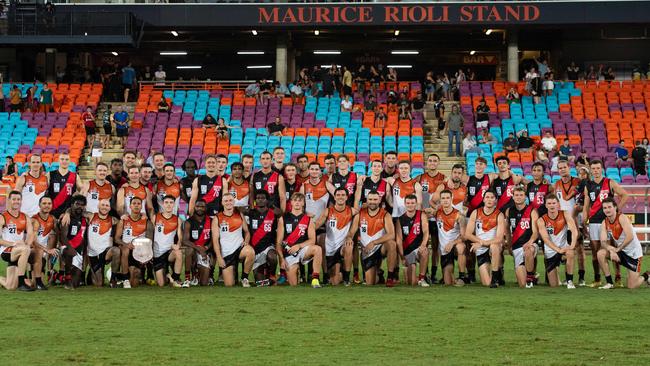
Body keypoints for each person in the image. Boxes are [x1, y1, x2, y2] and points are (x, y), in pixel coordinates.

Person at [582, 159, 628, 287]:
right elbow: (586, 205)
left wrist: (616, 210)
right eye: (593, 168)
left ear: (601, 169)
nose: (596, 171)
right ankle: (597, 279)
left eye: (598, 168)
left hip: (609, 222)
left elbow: (625, 195)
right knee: (595, 251)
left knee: (611, 249)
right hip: (594, 222)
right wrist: (584, 221)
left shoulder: (610, 182)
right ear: (590, 170)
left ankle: (618, 277)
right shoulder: (588, 185)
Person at [597, 198, 650, 289]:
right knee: (600, 253)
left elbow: (630, 237)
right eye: (605, 208)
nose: (607, 210)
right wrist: (612, 250)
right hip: (620, 251)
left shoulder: (622, 217)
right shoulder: (604, 222)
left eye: (610, 207)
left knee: (632, 286)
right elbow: (603, 242)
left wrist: (617, 249)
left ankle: (646, 276)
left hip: (634, 254)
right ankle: (609, 283)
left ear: (615, 207)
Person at [275, 193, 322, 288]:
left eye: (300, 200)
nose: (297, 202)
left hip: (302, 250)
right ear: (291, 202)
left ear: (303, 203)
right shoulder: (283, 219)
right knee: (294, 285)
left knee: (318, 249)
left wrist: (299, 246)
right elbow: (278, 242)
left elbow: (312, 240)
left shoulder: (308, 219)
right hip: (289, 253)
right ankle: (295, 270)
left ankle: (315, 279)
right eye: (295, 200)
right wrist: (281, 259)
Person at [315, 188, 357, 286]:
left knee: (349, 245)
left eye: (343, 195)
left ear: (347, 197)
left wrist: (350, 236)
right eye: (338, 195)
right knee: (335, 282)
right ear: (334, 197)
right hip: (330, 250)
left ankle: (346, 278)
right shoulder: (327, 211)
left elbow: (355, 227)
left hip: (342, 248)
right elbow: (316, 224)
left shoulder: (353, 211)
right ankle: (327, 275)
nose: (340, 197)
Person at [464, 190, 506, 288]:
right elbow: (468, 234)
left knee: (495, 247)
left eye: (492, 197)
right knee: (486, 283)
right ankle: (498, 273)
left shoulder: (499, 215)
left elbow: (499, 238)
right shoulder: (476, 212)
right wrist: (481, 243)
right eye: (487, 197)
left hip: (492, 246)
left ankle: (495, 278)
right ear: (483, 199)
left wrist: (482, 243)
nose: (489, 199)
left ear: (496, 200)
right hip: (481, 249)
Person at [538, 193, 579, 288]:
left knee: (570, 253)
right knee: (554, 285)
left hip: (563, 249)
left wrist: (572, 246)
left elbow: (574, 231)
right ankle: (556, 275)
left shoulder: (565, 214)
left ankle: (569, 281)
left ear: (558, 204)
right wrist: (558, 250)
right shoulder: (541, 220)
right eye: (549, 203)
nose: (552, 205)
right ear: (546, 205)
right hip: (551, 252)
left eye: (554, 203)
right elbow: (546, 239)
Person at [212, 194, 254, 287]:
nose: (228, 203)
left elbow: (247, 232)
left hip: (239, 249)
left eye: (230, 200)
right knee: (229, 284)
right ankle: (233, 271)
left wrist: (246, 241)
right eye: (226, 201)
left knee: (250, 252)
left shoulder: (239, 214)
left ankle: (244, 278)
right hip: (227, 253)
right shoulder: (217, 218)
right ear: (222, 203)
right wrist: (219, 257)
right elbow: (215, 240)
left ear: (234, 202)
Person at [357, 191, 398, 286]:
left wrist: (374, 242)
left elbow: (391, 234)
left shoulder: (385, 214)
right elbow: (352, 231)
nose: (372, 202)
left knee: (392, 244)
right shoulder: (360, 214)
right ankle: (379, 273)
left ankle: (390, 277)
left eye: (375, 199)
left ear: (379, 200)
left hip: (380, 248)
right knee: (370, 283)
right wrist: (349, 237)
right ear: (366, 200)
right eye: (370, 199)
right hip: (367, 251)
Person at [418, 154, 446, 282]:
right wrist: (424, 210)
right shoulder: (420, 178)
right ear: (426, 163)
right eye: (430, 161)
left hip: (437, 216)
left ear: (438, 163)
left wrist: (435, 210)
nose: (432, 163)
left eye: (435, 160)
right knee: (422, 245)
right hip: (424, 215)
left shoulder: (444, 179)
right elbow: (418, 196)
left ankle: (434, 273)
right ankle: (425, 272)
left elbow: (446, 198)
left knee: (436, 246)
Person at [114, 197, 153, 288]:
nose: (136, 205)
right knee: (125, 250)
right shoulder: (123, 221)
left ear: (141, 207)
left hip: (139, 251)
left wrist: (146, 255)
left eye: (138, 204)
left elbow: (149, 241)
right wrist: (126, 244)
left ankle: (123, 275)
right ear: (130, 206)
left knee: (134, 282)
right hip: (126, 250)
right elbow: (117, 238)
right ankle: (125, 279)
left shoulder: (147, 222)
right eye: (134, 203)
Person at [504, 186, 539, 288]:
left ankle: (530, 278)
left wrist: (530, 242)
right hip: (516, 246)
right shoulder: (509, 211)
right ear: (513, 197)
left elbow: (536, 232)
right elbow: (507, 230)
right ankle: (530, 278)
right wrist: (509, 246)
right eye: (516, 195)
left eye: (521, 195)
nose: (518, 197)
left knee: (528, 250)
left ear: (525, 197)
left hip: (530, 244)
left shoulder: (532, 211)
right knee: (522, 285)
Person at [0, 191, 34, 291]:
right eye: (14, 199)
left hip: (20, 251)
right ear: (9, 201)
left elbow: (31, 234)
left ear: (21, 201)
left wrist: (27, 244)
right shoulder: (3, 217)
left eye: (18, 199)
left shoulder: (25, 217)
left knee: (10, 286)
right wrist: (13, 244)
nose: (16, 201)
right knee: (25, 250)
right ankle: (21, 283)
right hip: (7, 251)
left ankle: (18, 282)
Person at [246, 191, 279, 286]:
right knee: (260, 283)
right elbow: (239, 210)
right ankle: (265, 273)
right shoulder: (250, 212)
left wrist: (271, 205)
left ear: (267, 200)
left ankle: (272, 274)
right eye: (258, 198)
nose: (260, 200)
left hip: (268, 247)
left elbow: (280, 213)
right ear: (255, 200)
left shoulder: (272, 213)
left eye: (263, 198)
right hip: (255, 250)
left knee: (272, 257)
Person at [396, 195, 429, 287]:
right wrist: (402, 257)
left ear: (416, 204)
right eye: (408, 203)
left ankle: (422, 278)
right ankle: (408, 269)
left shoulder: (421, 214)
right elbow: (399, 240)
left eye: (412, 203)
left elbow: (426, 232)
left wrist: (423, 245)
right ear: (405, 204)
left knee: (425, 251)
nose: (410, 205)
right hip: (407, 252)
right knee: (412, 283)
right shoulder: (400, 219)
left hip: (418, 249)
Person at [435, 189, 467, 286]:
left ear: (452, 198)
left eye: (448, 198)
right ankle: (450, 277)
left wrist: (452, 243)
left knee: (461, 247)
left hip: (454, 246)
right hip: (445, 250)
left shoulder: (459, 215)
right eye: (443, 198)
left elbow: (464, 236)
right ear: (440, 200)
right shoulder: (437, 213)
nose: (445, 200)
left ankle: (462, 277)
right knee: (448, 282)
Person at [151, 195, 184, 288]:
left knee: (178, 253)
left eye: (171, 203)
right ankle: (167, 275)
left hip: (169, 252)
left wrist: (177, 245)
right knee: (161, 284)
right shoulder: (155, 217)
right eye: (166, 202)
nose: (169, 205)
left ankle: (176, 278)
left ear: (174, 204)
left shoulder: (177, 219)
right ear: (162, 204)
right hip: (157, 254)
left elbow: (180, 237)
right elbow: (151, 235)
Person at [86, 199, 120, 287]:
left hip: (106, 252)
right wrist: (67, 213)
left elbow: (124, 223)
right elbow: (75, 212)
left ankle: (113, 278)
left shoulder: (114, 220)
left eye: (107, 205)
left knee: (116, 250)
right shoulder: (91, 216)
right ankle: (93, 272)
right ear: (98, 206)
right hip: (92, 254)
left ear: (109, 208)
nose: (104, 207)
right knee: (98, 284)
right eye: (102, 205)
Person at [58, 195, 88, 289]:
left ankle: (57, 276)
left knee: (75, 284)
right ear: (72, 205)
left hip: (78, 252)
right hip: (66, 248)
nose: (80, 206)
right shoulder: (67, 218)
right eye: (77, 204)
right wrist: (71, 249)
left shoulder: (85, 219)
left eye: (82, 205)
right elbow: (63, 236)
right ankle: (66, 277)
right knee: (68, 252)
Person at [182, 199, 212, 287]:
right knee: (189, 250)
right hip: (194, 250)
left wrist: (206, 248)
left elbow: (214, 239)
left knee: (204, 283)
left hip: (205, 250)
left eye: (202, 207)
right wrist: (198, 248)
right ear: (194, 207)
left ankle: (197, 274)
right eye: (198, 206)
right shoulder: (189, 222)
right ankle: (187, 278)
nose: (200, 208)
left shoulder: (211, 221)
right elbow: (185, 240)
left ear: (206, 208)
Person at [30, 196, 57, 290]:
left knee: (35, 284)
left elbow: (57, 233)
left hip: (42, 252)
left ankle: (37, 280)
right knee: (32, 284)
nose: (47, 206)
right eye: (44, 203)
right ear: (39, 205)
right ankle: (35, 280)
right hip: (31, 250)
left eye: (49, 204)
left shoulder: (52, 219)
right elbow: (33, 241)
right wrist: (48, 250)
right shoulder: (34, 220)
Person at [47, 153, 84, 219]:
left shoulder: (75, 176)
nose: (64, 161)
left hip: (68, 212)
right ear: (58, 160)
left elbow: (82, 190)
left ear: (69, 161)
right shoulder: (50, 174)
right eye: (62, 159)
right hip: (52, 210)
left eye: (67, 159)